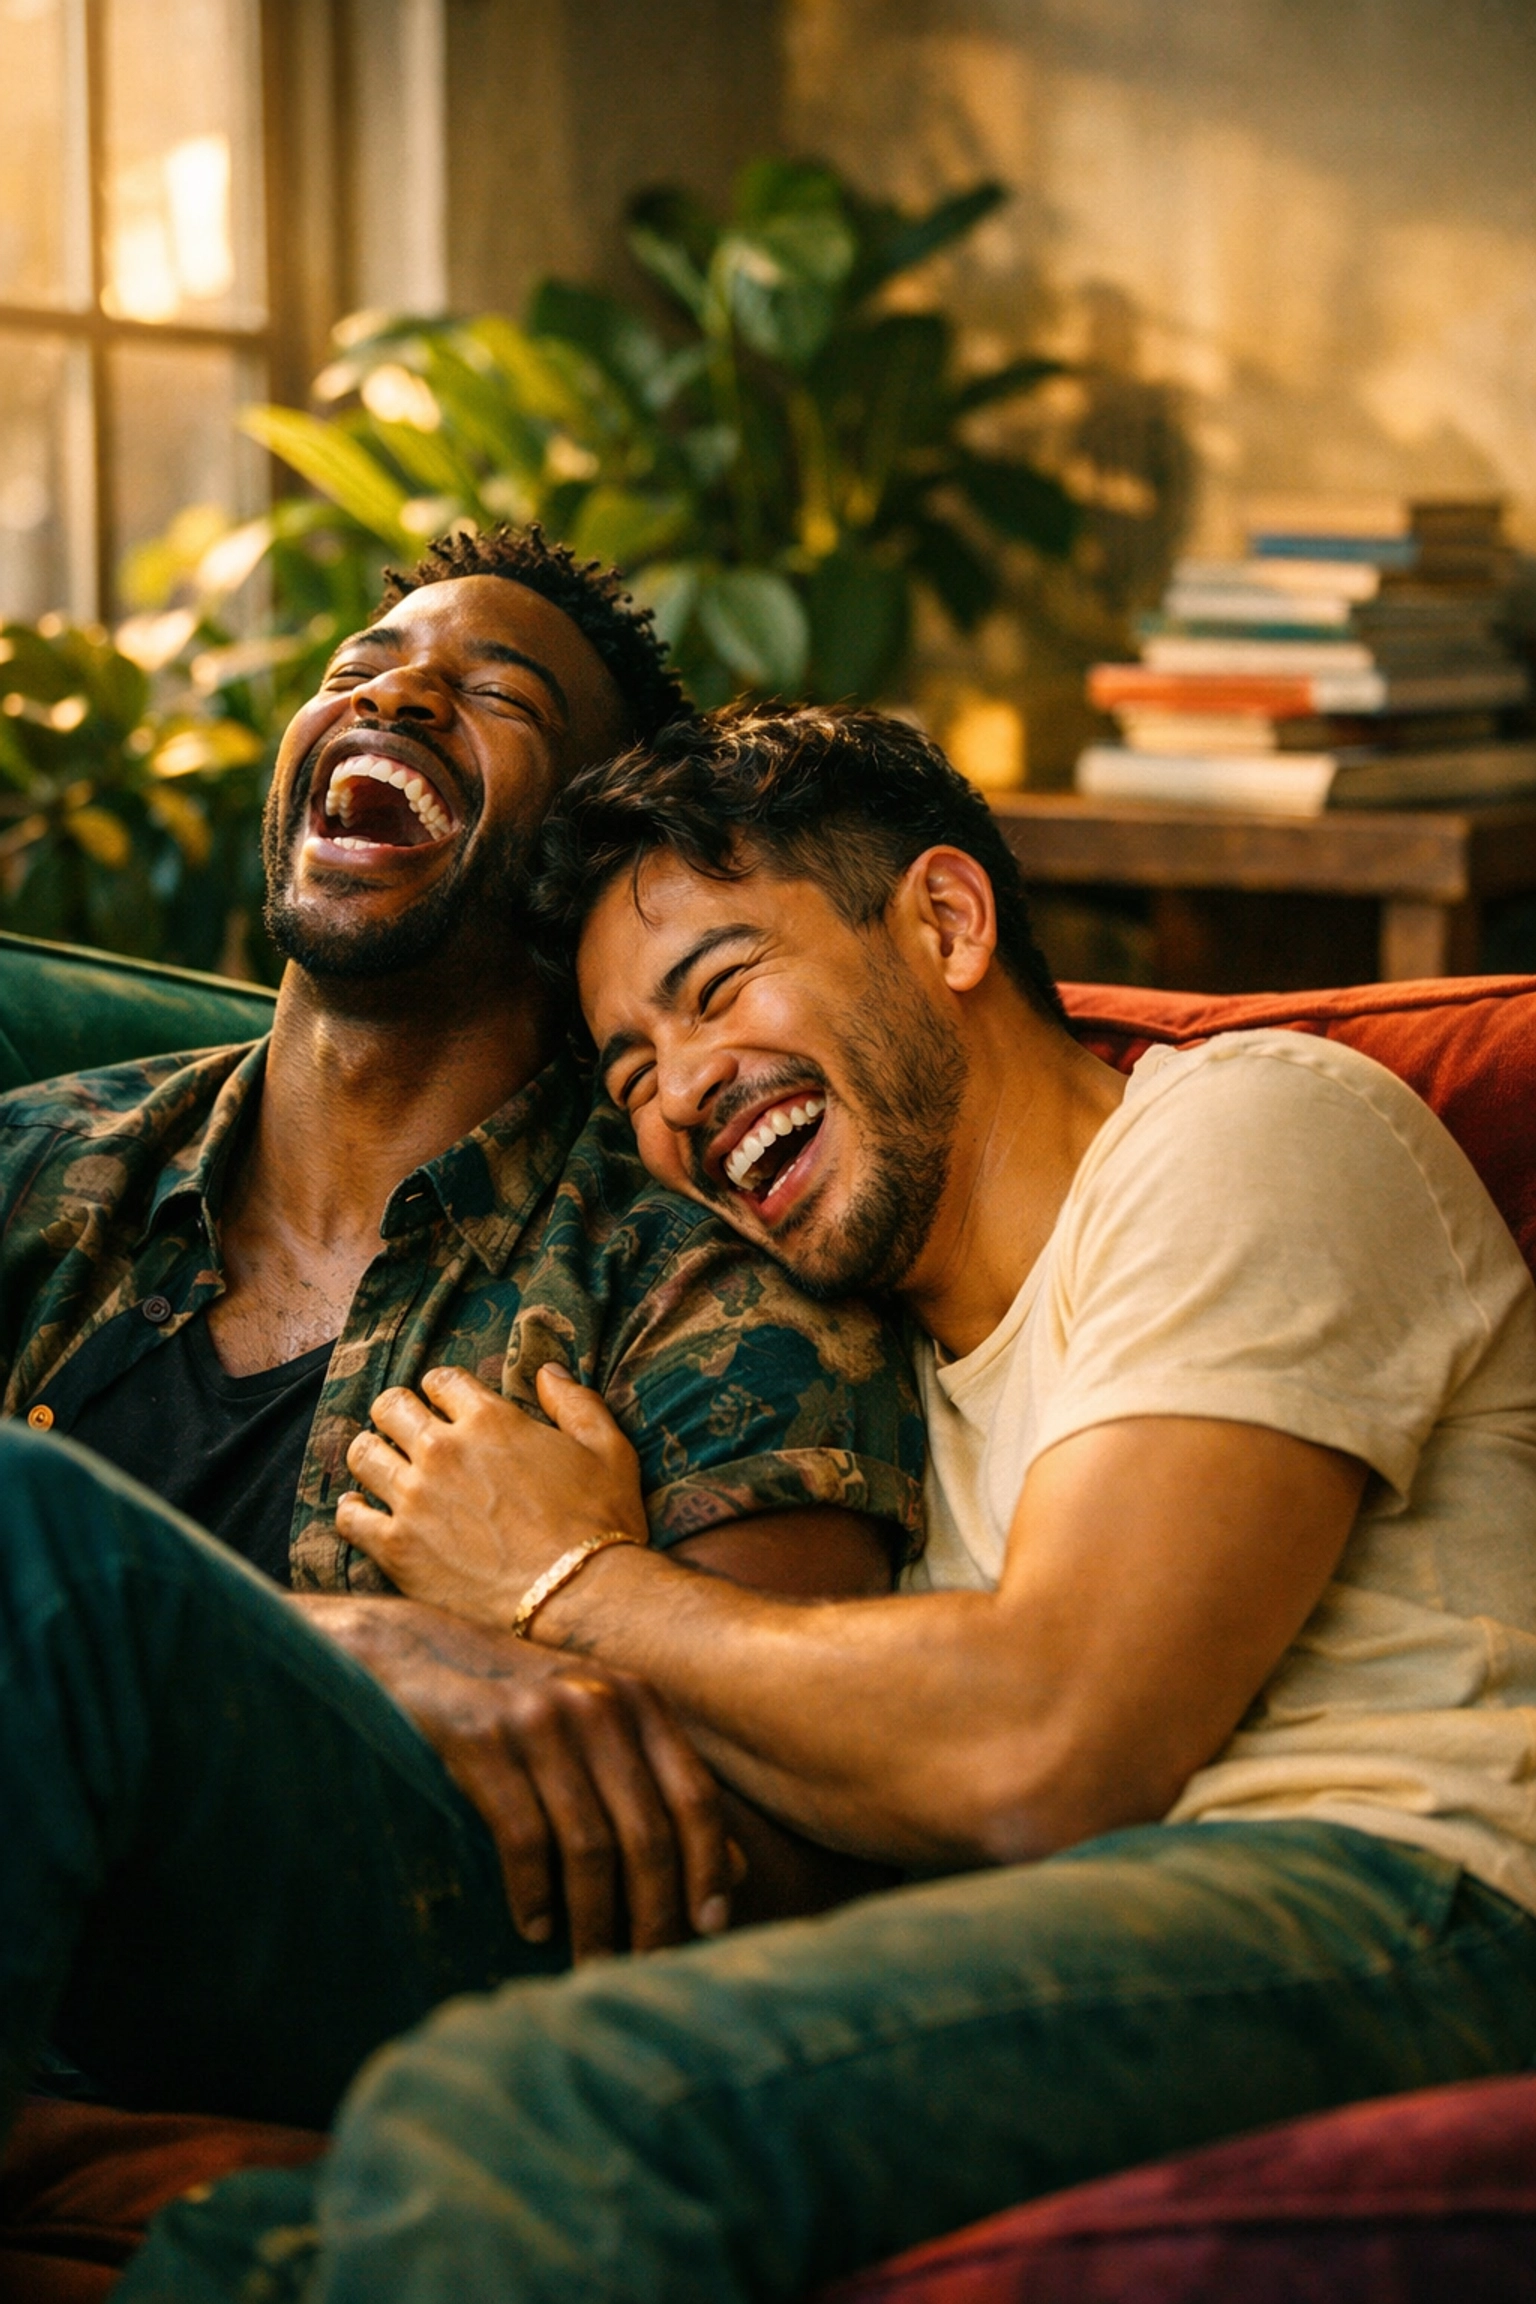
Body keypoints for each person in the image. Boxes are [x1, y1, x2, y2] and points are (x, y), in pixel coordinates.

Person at [147, 702, 1536, 2304]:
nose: (680, 1093)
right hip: (1116, 1946)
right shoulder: (874, 1386)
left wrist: (566, 1581)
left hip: (1424, 1903)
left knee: (541, 2105)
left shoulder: (1251, 1131)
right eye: (631, 1070)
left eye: (717, 986)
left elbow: (1054, 1741)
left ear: (945, 921)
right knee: (237, 2249)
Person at [0, 579, 924, 2135]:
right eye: (360, 667)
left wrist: (568, 1608)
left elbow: (775, 1863)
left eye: (500, 695)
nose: (396, 696)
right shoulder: (37, 1168)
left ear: (575, 861)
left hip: (347, 2029)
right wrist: (369, 1652)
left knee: (32, 1527)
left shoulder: (698, 1273)